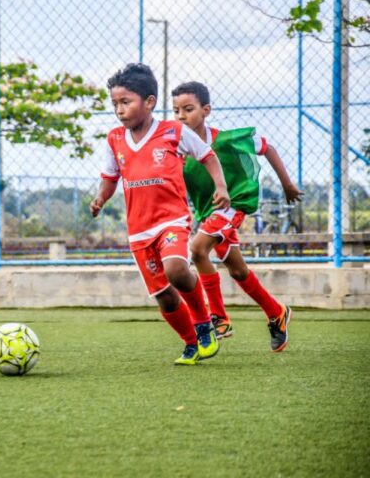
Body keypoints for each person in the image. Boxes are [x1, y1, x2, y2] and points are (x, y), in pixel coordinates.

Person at [90, 64, 230, 365]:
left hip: (172, 219)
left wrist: (221, 186)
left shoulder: (173, 131)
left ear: (149, 102)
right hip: (139, 229)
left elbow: (208, 155)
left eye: (126, 102)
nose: (119, 109)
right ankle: (191, 342)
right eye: (115, 103)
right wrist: (101, 198)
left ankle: (205, 324)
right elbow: (111, 177)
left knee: (177, 270)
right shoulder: (114, 139)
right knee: (164, 295)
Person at [172, 81, 302, 352]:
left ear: (205, 110)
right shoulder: (178, 149)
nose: (181, 116)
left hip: (233, 204)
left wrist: (287, 184)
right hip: (209, 213)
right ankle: (276, 312)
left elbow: (267, 147)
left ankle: (218, 317)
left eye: (188, 109)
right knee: (238, 270)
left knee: (197, 250)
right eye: (176, 111)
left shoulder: (227, 140)